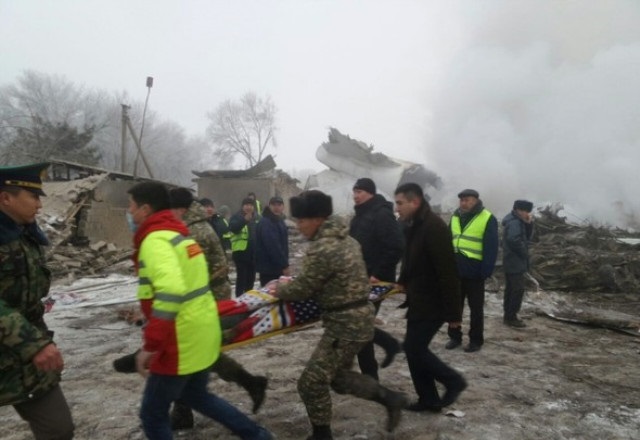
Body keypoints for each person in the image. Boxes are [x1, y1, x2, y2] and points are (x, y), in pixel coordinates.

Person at [126, 181, 272, 440]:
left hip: (179, 338)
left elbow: (170, 293)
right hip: (200, 327)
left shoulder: (156, 241)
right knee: (198, 396)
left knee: (152, 414)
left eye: (131, 206)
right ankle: (258, 436)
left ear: (146, 209)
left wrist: (151, 344)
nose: (129, 212)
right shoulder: (179, 235)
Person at [271, 190, 407, 440]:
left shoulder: (324, 247)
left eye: (302, 220)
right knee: (338, 378)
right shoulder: (348, 239)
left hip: (345, 324)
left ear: (318, 219)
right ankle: (391, 399)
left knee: (311, 383)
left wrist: (279, 288)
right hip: (357, 318)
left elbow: (302, 289)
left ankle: (322, 436)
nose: (299, 227)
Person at [167, 188, 267, 430]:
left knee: (187, 353)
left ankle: (186, 409)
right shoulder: (195, 226)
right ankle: (249, 383)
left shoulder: (193, 231)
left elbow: (200, 272)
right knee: (199, 353)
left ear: (179, 209)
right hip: (206, 297)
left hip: (207, 298)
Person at [0, 162, 75, 440]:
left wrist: (40, 343)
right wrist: (33, 344)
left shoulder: (25, 235)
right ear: (6, 198)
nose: (40, 205)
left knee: (58, 430)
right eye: (33, 197)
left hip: (23, 359)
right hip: (26, 345)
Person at [393, 182, 467, 412]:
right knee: (414, 350)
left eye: (400, 203)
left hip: (433, 301)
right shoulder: (413, 224)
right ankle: (429, 399)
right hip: (418, 299)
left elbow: (448, 273)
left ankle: (453, 381)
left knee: (414, 349)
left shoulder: (434, 227)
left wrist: (454, 316)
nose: (397, 209)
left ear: (415, 202)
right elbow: (410, 258)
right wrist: (402, 281)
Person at [349, 177, 404, 379]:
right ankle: (388, 348)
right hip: (358, 280)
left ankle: (371, 376)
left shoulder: (381, 215)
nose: (355, 196)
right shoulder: (360, 215)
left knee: (359, 327)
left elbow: (396, 247)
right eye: (354, 192)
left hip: (375, 282)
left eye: (360, 192)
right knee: (359, 326)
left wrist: (377, 274)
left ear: (370, 193)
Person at [446, 189, 499, 353]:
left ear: (476, 200)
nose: (463, 203)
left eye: (467, 200)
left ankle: (476, 340)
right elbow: (448, 241)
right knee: (455, 305)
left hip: (475, 272)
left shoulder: (487, 217)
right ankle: (454, 336)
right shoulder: (455, 216)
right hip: (455, 270)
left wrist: (486, 271)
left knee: (476, 308)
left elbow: (491, 247)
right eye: (461, 200)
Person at [502, 199, 534, 328]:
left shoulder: (515, 220)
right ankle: (511, 317)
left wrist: (528, 223)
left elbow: (526, 236)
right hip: (514, 260)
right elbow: (514, 239)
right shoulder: (515, 222)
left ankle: (508, 315)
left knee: (511, 289)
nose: (527, 214)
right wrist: (524, 253)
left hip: (511, 259)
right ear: (519, 210)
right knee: (518, 289)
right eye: (526, 211)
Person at [255, 196, 290, 286]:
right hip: (270, 269)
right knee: (271, 296)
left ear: (283, 206)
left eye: (279, 205)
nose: (276, 207)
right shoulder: (267, 222)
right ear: (269, 206)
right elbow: (273, 246)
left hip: (276, 267)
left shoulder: (278, 220)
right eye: (274, 205)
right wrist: (284, 265)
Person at [229, 197, 259, 297]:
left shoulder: (257, 218)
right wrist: (244, 220)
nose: (248, 207)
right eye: (246, 205)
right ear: (242, 206)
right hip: (241, 253)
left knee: (251, 279)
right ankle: (239, 299)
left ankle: (248, 299)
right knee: (241, 278)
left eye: (250, 205)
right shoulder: (236, 217)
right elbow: (233, 228)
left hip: (253, 254)